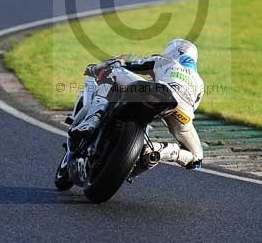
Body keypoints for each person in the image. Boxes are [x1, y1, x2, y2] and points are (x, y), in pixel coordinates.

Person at [68, 39, 204, 170]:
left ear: (173, 52)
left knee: (112, 71)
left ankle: (92, 119)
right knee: (197, 158)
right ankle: (156, 151)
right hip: (183, 113)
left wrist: (97, 68)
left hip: (158, 91)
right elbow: (193, 106)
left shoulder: (164, 61)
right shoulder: (200, 82)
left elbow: (130, 65)